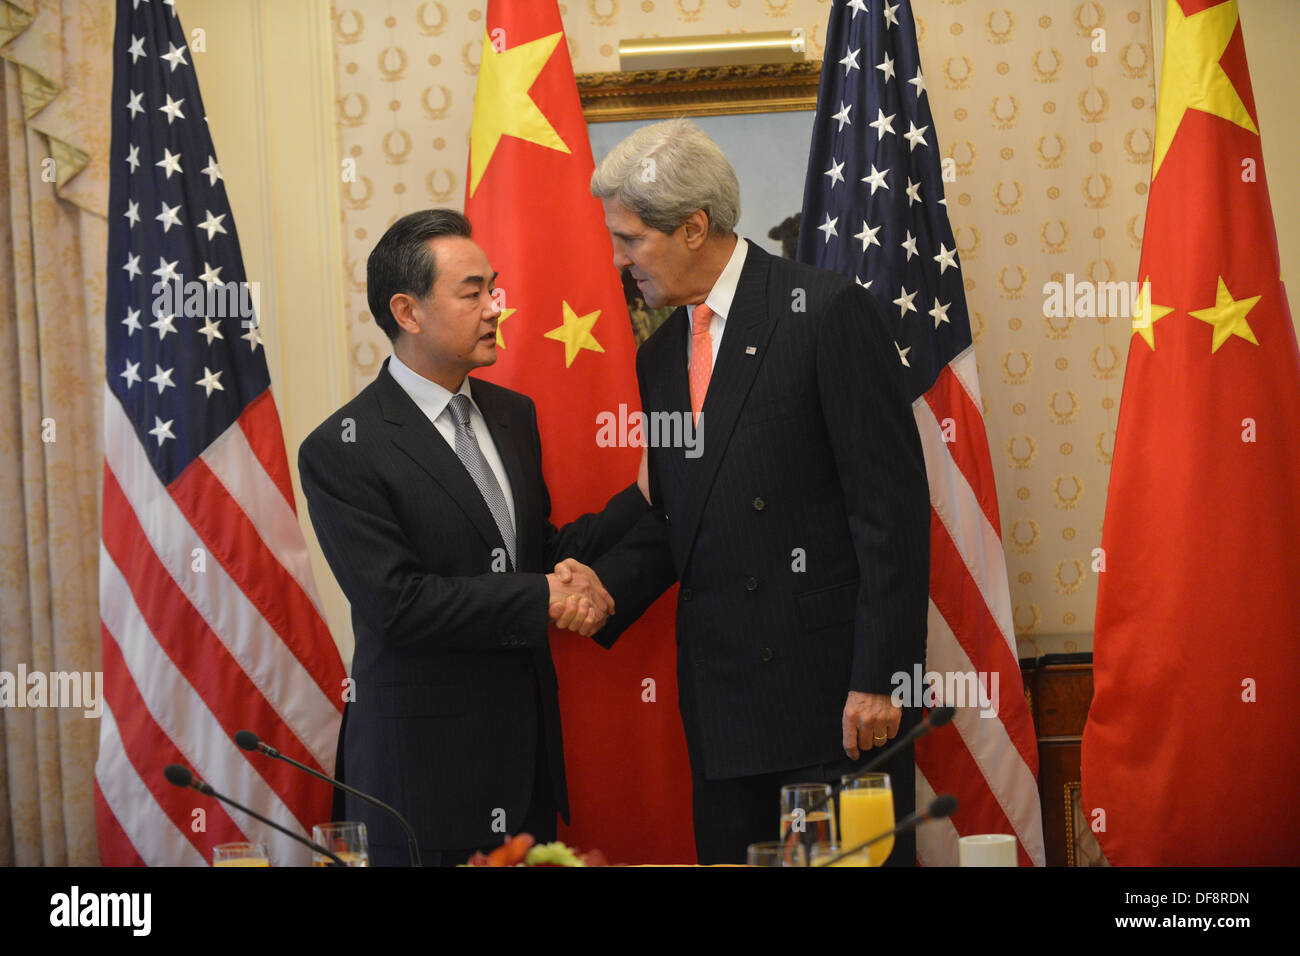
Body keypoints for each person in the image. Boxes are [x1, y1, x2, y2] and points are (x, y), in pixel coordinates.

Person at [588, 120, 931, 865]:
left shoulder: (824, 313)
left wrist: (880, 678)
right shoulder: (658, 357)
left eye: (629, 239)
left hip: (836, 710)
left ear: (692, 228)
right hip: (724, 711)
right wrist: (600, 586)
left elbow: (891, 516)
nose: (619, 261)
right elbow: (686, 512)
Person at [297, 209, 647, 866]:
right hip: (422, 782)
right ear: (408, 311)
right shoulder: (344, 448)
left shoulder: (512, 416)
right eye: (474, 293)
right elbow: (398, 605)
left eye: (495, 289)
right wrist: (544, 594)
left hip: (526, 771)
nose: (496, 309)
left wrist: (647, 498)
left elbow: (532, 555)